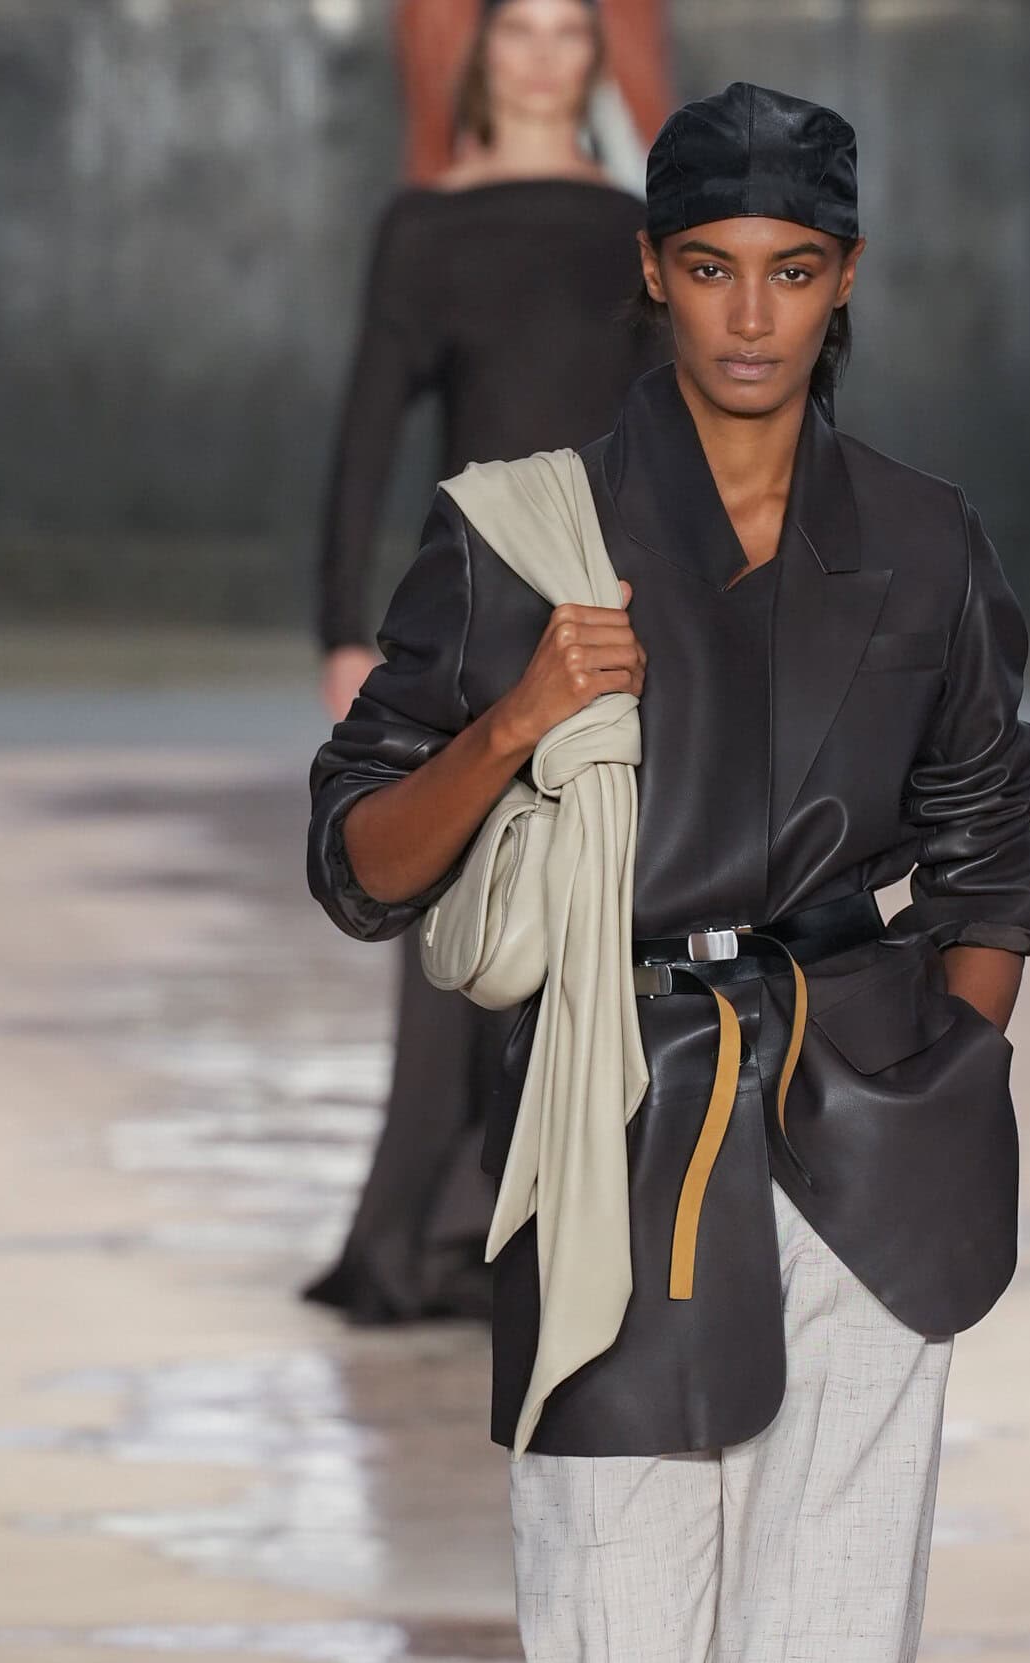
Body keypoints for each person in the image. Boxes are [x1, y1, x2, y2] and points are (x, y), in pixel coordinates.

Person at [309, 79, 1030, 1663]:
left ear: (841, 287)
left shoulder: (923, 542)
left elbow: (988, 827)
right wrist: (526, 704)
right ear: (654, 278)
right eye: (715, 266)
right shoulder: (522, 535)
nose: (754, 312)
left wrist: (951, 1066)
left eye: (796, 269)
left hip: (857, 1145)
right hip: (620, 1133)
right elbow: (362, 858)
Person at [307, 0, 655, 1326]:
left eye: (571, 30)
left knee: (594, 899)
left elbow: (667, 429)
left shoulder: (636, 230)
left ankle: (545, 1214)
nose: (545, 54)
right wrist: (341, 628)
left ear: (593, 58)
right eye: (522, 30)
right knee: (453, 905)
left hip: (604, 594)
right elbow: (365, 436)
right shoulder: (426, 228)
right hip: (469, 597)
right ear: (484, 55)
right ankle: (429, 1229)